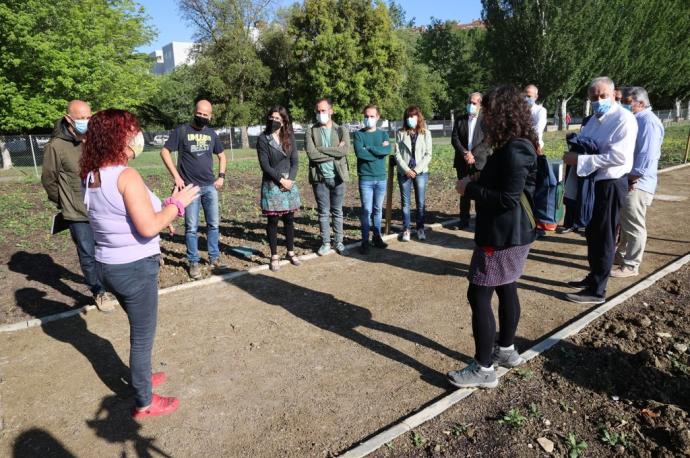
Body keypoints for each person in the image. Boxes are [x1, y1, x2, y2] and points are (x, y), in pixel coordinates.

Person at [80, 109, 199, 418]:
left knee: (139, 332)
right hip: (134, 267)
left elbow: (123, 216)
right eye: (132, 132)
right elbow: (147, 227)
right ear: (117, 138)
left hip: (107, 266)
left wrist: (164, 211)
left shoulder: (92, 175)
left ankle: (140, 377)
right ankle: (145, 401)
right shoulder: (125, 176)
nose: (137, 138)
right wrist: (178, 206)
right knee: (142, 337)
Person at [448, 86, 538, 389]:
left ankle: (484, 368)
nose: (483, 116)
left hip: (502, 235)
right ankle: (507, 350)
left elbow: (507, 199)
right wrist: (478, 179)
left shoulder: (517, 148)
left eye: (487, 110)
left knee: (479, 293)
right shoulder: (515, 145)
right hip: (512, 233)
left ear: (501, 113)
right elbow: (505, 182)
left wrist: (469, 190)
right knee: (506, 286)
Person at [562, 77, 637, 304]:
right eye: (594, 97)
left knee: (604, 235)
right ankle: (593, 276)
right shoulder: (594, 119)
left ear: (614, 95)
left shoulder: (624, 119)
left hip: (610, 184)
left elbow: (618, 157)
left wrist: (581, 159)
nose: (598, 100)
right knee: (592, 233)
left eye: (603, 96)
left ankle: (597, 291)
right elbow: (586, 142)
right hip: (593, 183)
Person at [41, 100, 113, 312]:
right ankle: (98, 291)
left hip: (100, 207)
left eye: (89, 117)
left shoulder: (94, 140)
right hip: (76, 212)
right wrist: (64, 202)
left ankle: (110, 283)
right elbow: (49, 179)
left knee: (106, 249)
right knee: (88, 253)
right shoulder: (56, 147)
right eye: (82, 118)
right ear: (68, 119)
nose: (87, 122)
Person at [160, 100, 226, 280]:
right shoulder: (181, 131)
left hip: (209, 187)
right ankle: (193, 261)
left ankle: (214, 257)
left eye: (206, 115)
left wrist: (221, 176)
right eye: (200, 113)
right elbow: (165, 152)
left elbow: (222, 155)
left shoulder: (212, 134)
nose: (202, 117)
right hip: (190, 189)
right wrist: (176, 176)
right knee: (191, 228)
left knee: (213, 225)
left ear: (210, 116)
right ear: (194, 112)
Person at [611, 87, 664, 278]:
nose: (622, 104)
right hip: (632, 180)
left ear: (640, 103)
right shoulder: (636, 120)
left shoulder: (648, 122)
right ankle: (621, 256)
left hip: (638, 183)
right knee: (626, 223)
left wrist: (633, 177)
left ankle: (631, 265)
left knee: (634, 225)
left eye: (626, 101)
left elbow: (646, 155)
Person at [257, 106, 302, 272]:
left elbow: (295, 161)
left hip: (289, 183)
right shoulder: (263, 139)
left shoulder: (289, 136)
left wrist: (290, 179)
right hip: (272, 183)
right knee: (273, 221)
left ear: (284, 121)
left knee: (289, 219)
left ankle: (291, 252)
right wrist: (281, 180)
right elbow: (265, 165)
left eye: (277, 118)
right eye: (272, 117)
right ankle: (274, 255)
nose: (274, 121)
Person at [306, 98, 350, 256]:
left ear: (331, 111)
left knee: (337, 211)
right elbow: (312, 154)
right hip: (320, 178)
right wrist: (333, 152)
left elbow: (344, 152)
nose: (320, 114)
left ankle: (339, 241)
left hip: (338, 177)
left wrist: (322, 149)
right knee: (323, 213)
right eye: (318, 111)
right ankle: (325, 243)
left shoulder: (341, 130)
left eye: (323, 111)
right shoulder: (311, 131)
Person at [353, 105, 392, 254]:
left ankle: (377, 237)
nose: (368, 119)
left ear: (377, 117)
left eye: (372, 116)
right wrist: (378, 152)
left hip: (381, 178)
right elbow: (360, 154)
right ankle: (365, 241)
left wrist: (370, 148)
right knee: (366, 211)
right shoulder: (358, 135)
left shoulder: (383, 135)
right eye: (366, 116)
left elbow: (387, 150)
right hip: (366, 179)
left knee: (377, 210)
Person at [451, 92, 490, 229]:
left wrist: (473, 154)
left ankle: (481, 222)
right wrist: (465, 154)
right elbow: (454, 138)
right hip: (462, 161)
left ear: (480, 105)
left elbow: (487, 141)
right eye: (469, 102)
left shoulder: (486, 121)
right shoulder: (460, 120)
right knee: (464, 192)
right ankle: (463, 221)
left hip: (479, 162)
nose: (471, 105)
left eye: (474, 103)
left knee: (480, 191)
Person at [394, 105, 433, 241]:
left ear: (418, 117)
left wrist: (416, 170)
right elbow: (397, 154)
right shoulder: (400, 133)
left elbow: (428, 155)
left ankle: (420, 228)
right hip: (404, 172)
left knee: (420, 202)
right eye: (408, 116)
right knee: (405, 203)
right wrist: (407, 170)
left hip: (421, 172)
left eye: (413, 116)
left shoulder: (426, 133)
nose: (411, 119)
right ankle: (406, 229)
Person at [524, 84, 547, 153]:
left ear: (536, 97)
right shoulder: (519, 110)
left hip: (535, 146)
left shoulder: (540, 111)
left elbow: (538, 130)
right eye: (524, 96)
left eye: (528, 96)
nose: (525, 98)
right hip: (520, 145)